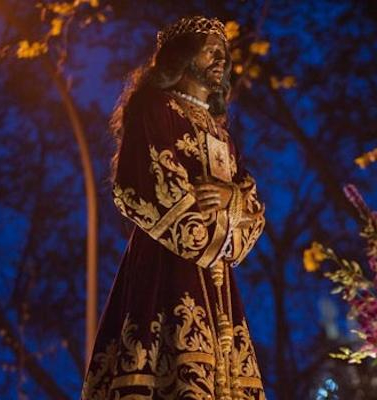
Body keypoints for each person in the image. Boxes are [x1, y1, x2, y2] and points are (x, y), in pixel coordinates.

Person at [82, 16, 266, 400]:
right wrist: (218, 218)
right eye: (211, 49)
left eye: (224, 52)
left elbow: (250, 206)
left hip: (220, 290)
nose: (221, 58)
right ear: (181, 55)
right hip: (165, 270)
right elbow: (146, 186)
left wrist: (231, 200)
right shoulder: (155, 110)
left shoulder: (221, 134)